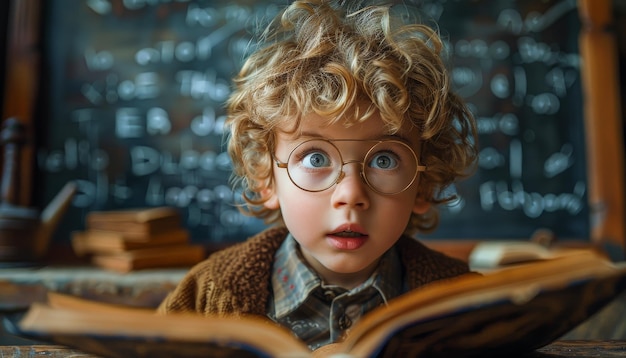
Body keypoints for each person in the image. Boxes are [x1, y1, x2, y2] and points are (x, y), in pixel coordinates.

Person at [158, 0, 478, 350]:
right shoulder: (206, 295)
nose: (351, 194)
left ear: (423, 183)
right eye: (314, 158)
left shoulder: (469, 304)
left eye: (384, 160)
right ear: (266, 178)